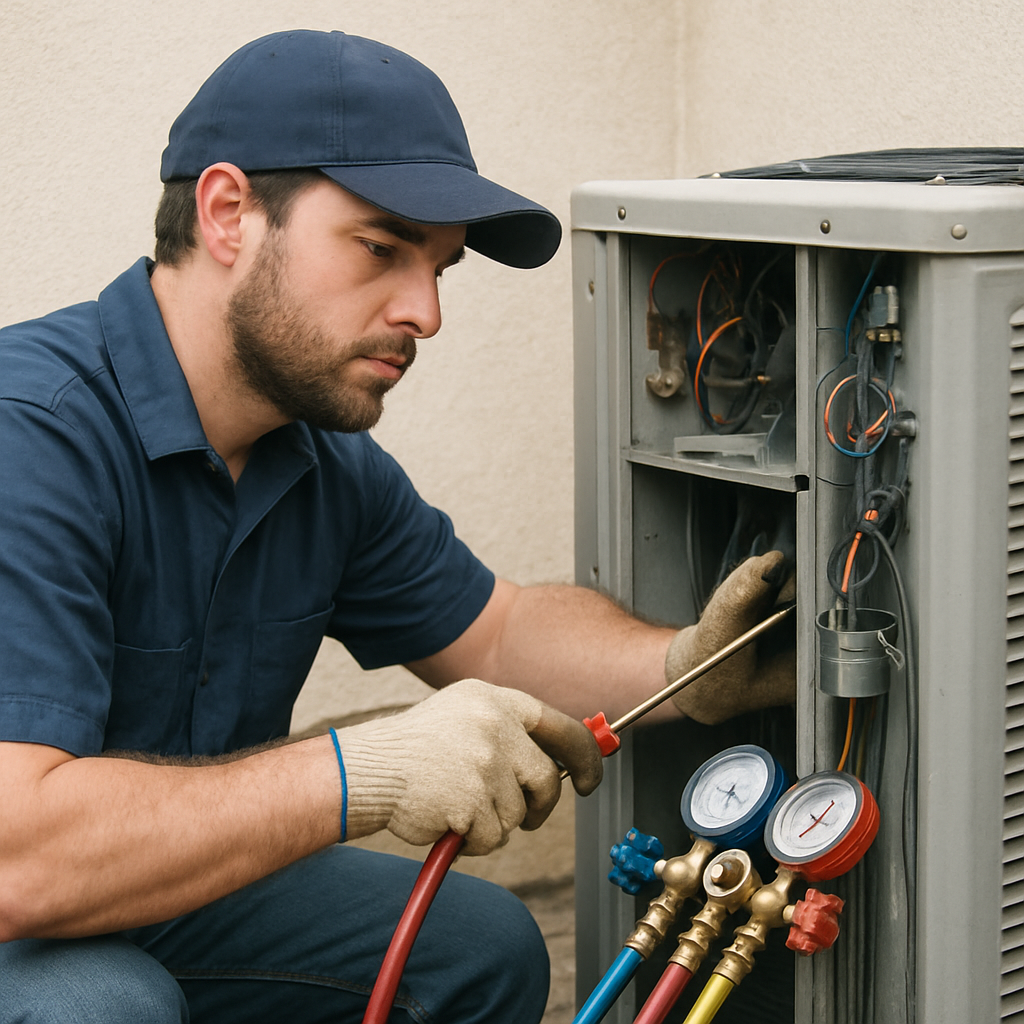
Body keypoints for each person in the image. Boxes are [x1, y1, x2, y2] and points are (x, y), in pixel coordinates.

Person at [0, 30, 794, 1024]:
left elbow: (498, 635)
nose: (422, 311)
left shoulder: (318, 462)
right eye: (380, 248)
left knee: (475, 948)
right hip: (22, 904)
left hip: (145, 895)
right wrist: (359, 771)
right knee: (103, 1007)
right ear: (228, 212)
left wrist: (682, 664)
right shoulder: (29, 432)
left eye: (440, 269)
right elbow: (17, 858)